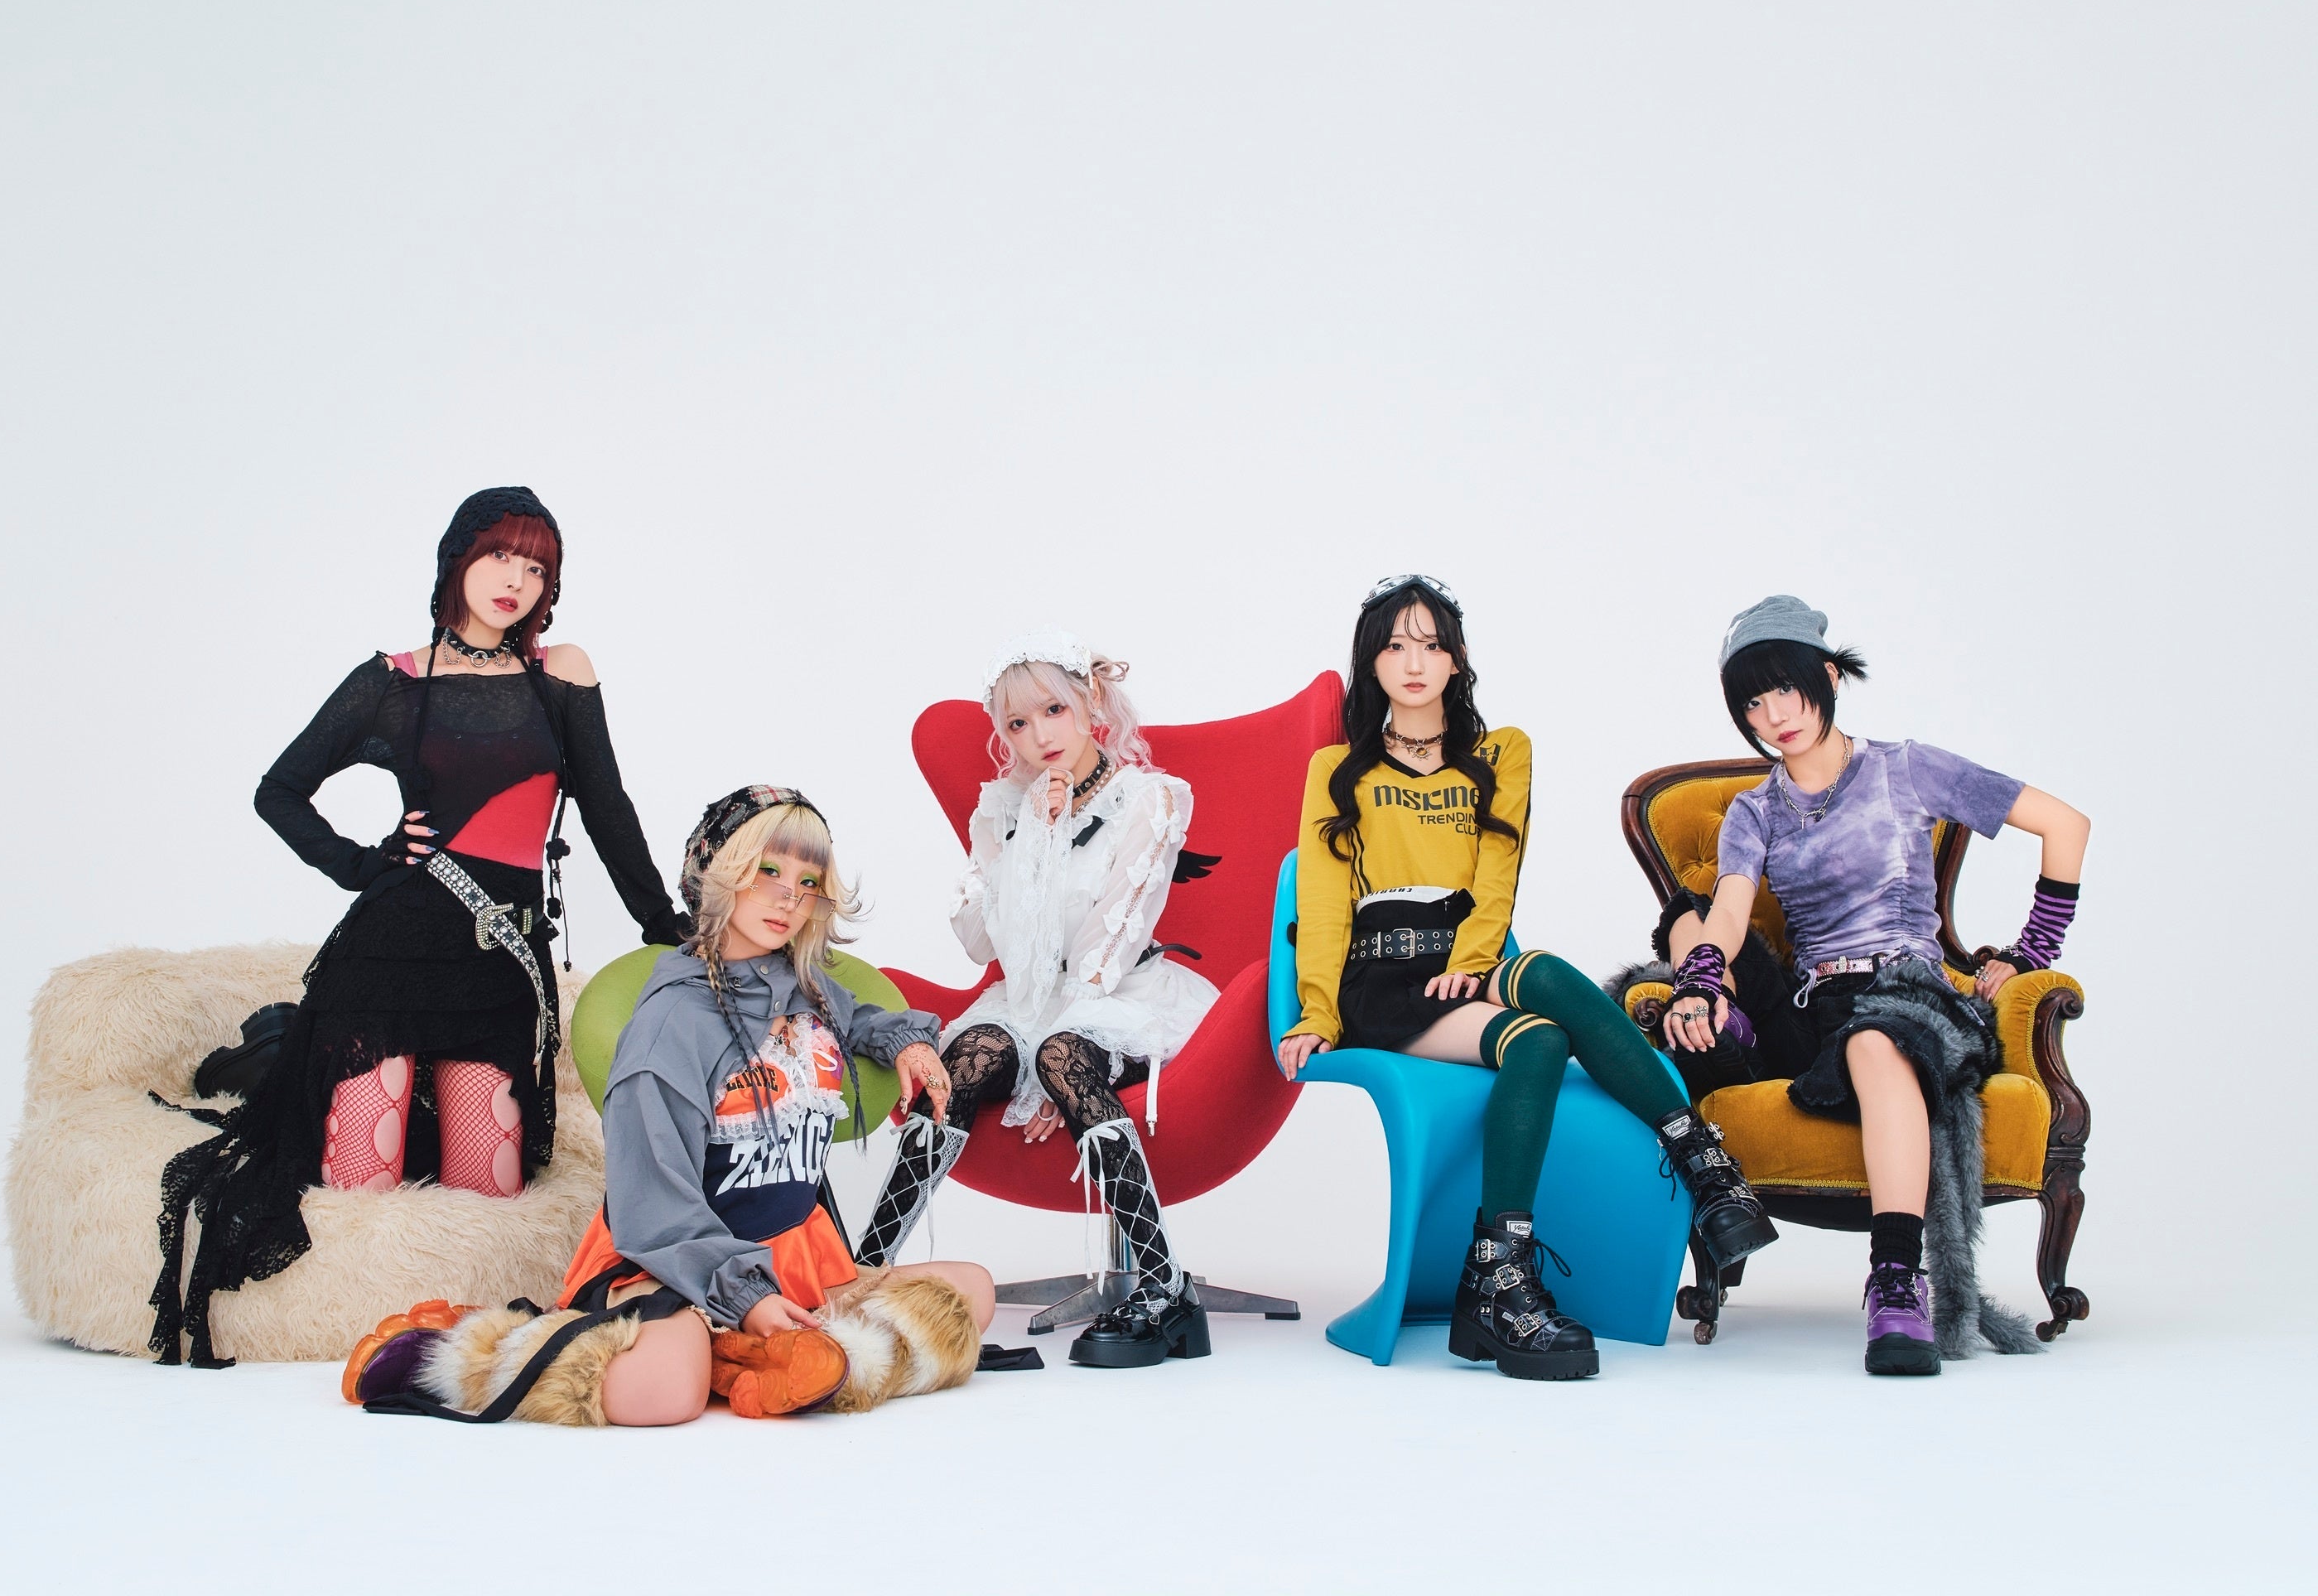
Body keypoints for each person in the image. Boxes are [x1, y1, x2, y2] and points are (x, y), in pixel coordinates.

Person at [152, 488, 684, 1367]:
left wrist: (662, 924)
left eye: (536, 566)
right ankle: (346, 1335)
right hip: (390, 958)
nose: (516, 579)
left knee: (486, 1198)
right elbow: (279, 791)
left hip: (496, 967)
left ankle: (456, 1347)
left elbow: (607, 809)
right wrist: (364, 862)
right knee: (362, 1186)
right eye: (499, 555)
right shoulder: (392, 680)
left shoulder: (561, 673)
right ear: (457, 560)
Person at [345, 787, 994, 1424]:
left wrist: (908, 1043)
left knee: (972, 1294)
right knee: (665, 1394)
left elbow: (860, 1018)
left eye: (807, 881)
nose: (788, 898)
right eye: (767, 871)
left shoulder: (803, 986)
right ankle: (457, 1354)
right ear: (717, 873)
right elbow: (651, 1203)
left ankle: (755, 1358)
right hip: (676, 1258)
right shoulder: (671, 1024)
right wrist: (745, 1298)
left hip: (795, 1252)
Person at [1278, 576, 1776, 1381]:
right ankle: (1693, 1171)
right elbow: (1327, 901)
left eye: (1431, 644)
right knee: (1538, 1026)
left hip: (1465, 958)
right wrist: (1317, 1013)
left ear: (1457, 658)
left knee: (1541, 1002)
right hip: (1385, 979)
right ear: (1371, 661)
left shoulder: (1500, 752)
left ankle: (1507, 1270)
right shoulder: (1338, 768)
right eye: (1395, 646)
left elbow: (1496, 873)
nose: (1414, 663)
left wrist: (1473, 962)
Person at [1655, 595, 2087, 1373]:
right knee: (1688, 915)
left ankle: (1895, 1281)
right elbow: (1729, 912)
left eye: (1785, 689)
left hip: (1909, 994)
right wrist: (1702, 980)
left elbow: (2066, 825)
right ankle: (1726, 1016)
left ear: (1828, 677)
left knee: (1875, 1042)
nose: (1773, 716)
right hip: (1811, 1005)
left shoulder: (1904, 769)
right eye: (1752, 703)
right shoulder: (1755, 811)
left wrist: (2029, 955)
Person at [851, 631, 1219, 1368]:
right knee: (966, 1058)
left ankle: (1163, 1289)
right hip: (1024, 998)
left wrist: (1049, 1066)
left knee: (1061, 1057)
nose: (1040, 736)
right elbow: (977, 941)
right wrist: (1033, 839)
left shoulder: (1151, 799)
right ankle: (859, 1274)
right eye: (1017, 723)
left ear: (1091, 704)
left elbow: (1109, 948)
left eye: (1054, 710)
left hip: (1120, 992)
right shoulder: (1002, 808)